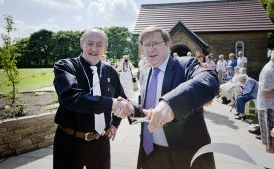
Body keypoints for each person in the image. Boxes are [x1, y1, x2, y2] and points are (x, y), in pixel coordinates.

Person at [131, 26, 219, 169]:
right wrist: (131, 108)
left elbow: (208, 78)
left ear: (167, 44)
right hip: (150, 154)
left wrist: (171, 104)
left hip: (183, 156)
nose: (150, 48)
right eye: (146, 45)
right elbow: (148, 108)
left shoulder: (185, 64)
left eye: (155, 43)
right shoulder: (146, 74)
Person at [53, 28, 133, 169]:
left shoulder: (110, 71)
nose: (94, 48)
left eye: (99, 44)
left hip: (100, 143)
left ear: (105, 47)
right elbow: (71, 98)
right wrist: (111, 103)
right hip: (69, 143)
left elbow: (122, 99)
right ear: (81, 43)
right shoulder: (65, 66)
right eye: (90, 43)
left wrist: (115, 123)